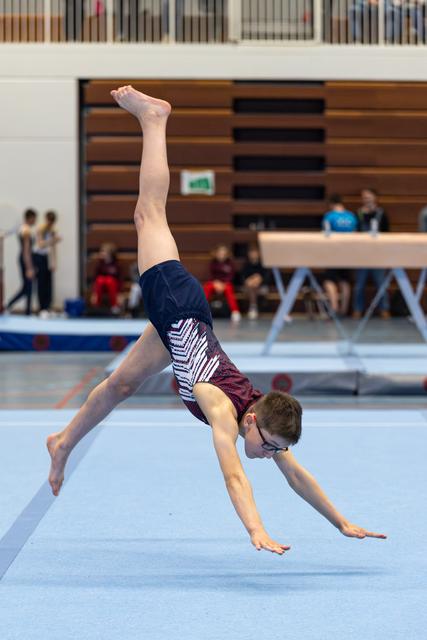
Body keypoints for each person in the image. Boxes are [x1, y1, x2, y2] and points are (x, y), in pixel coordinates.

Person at [47, 85, 386, 554]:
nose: (270, 455)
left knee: (120, 386)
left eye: (273, 449)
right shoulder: (219, 405)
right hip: (177, 307)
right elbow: (233, 473)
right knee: (149, 213)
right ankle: (154, 119)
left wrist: (342, 523)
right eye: (268, 446)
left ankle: (63, 441)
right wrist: (256, 530)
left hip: (182, 327)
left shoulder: (263, 413)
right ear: (251, 424)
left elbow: (297, 476)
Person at [353, 188, 390, 319]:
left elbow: (387, 233)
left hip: (378, 254)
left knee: (381, 283)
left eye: (369, 197)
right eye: (364, 197)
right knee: (359, 284)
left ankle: (384, 309)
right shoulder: (358, 214)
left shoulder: (381, 213)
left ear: (375, 198)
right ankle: (357, 309)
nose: (367, 199)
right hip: (362, 254)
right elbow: (355, 232)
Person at [321, 194, 358, 317]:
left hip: (333, 251)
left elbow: (325, 235)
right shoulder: (351, 216)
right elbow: (354, 233)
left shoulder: (329, 216)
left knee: (329, 280)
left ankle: (334, 306)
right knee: (345, 280)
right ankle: (344, 308)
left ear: (331, 204)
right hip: (348, 251)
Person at [5, 208, 37, 316]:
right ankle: (13, 306)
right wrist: (29, 268)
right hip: (25, 258)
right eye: (34, 219)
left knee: (26, 288)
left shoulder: (22, 227)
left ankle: (23, 310)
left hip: (23, 258)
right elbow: (26, 251)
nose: (35, 221)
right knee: (28, 287)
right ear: (30, 218)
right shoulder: (26, 230)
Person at [203, 244, 241, 322]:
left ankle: (235, 311)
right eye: (220, 254)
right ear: (216, 254)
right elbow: (212, 275)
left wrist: (223, 284)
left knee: (229, 289)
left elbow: (231, 276)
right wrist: (216, 283)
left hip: (226, 284)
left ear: (227, 255)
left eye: (223, 254)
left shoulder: (230, 263)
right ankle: (202, 309)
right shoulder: (213, 263)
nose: (221, 256)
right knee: (207, 287)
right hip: (215, 283)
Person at [34, 211, 62, 318]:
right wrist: (53, 240)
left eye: (52, 222)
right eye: (49, 222)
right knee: (41, 283)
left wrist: (54, 262)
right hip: (39, 257)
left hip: (48, 258)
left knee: (49, 283)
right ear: (46, 219)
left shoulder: (53, 230)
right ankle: (41, 308)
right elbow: (40, 245)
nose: (50, 224)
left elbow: (53, 247)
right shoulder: (40, 229)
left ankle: (48, 307)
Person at [240, 244, 270, 320]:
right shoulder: (246, 264)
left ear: (259, 253)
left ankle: (253, 307)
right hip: (248, 287)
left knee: (254, 285)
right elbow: (243, 277)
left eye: (255, 252)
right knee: (251, 286)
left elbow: (267, 278)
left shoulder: (263, 264)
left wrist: (259, 280)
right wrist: (249, 281)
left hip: (262, 287)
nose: (253, 254)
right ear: (249, 254)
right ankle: (253, 307)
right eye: (251, 253)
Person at [91, 243, 121, 314]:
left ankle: (114, 305)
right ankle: (96, 304)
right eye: (102, 251)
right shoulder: (100, 265)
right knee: (100, 280)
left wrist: (120, 292)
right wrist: (94, 293)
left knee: (110, 280)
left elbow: (120, 279)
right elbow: (95, 279)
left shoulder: (116, 265)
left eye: (104, 251)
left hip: (112, 286)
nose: (102, 253)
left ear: (109, 253)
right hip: (101, 286)